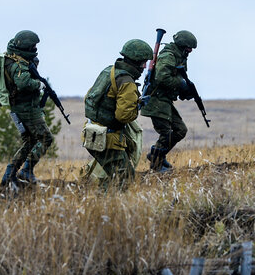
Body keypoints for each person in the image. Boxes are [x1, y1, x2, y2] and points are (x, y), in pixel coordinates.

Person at [83, 39, 153, 188]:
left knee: (111, 178)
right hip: (108, 139)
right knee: (124, 180)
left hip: (92, 132)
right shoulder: (127, 81)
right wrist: (137, 105)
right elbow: (124, 116)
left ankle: (101, 203)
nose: (144, 67)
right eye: (143, 62)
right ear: (136, 61)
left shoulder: (109, 71)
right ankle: (106, 209)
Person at [0, 30, 54, 189]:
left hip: (21, 108)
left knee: (30, 141)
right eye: (33, 45)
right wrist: (39, 84)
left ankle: (9, 174)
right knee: (45, 138)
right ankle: (26, 170)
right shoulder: (18, 64)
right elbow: (23, 83)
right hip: (26, 108)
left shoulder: (14, 59)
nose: (35, 48)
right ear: (26, 46)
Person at [139, 30, 198, 171]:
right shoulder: (168, 56)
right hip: (156, 100)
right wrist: (181, 84)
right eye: (189, 47)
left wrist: (185, 91)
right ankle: (156, 164)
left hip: (165, 101)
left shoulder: (180, 56)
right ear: (182, 45)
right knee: (165, 133)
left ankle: (158, 154)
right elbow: (162, 78)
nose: (190, 50)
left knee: (180, 130)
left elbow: (177, 78)